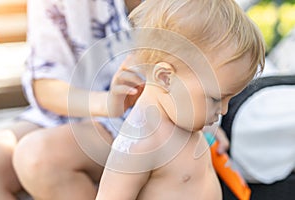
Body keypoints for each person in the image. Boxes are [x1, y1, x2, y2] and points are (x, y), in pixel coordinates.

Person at [95, 0, 265, 199]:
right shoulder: (140, 144)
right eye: (215, 99)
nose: (224, 110)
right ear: (166, 78)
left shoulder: (184, 118)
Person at [0, 0, 143, 199]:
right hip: (86, 106)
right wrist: (108, 103)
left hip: (147, 114)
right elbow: (46, 83)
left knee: (40, 158)